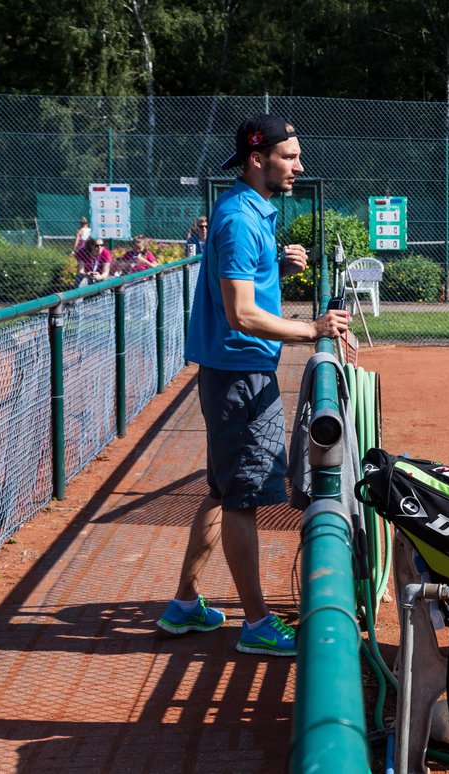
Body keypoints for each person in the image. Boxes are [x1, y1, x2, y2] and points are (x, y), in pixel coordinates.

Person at [156, 113, 352, 657]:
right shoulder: (241, 218)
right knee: (242, 498)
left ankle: (185, 604)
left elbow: (243, 291)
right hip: (240, 373)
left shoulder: (251, 212)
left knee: (222, 491)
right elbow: (241, 313)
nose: (299, 166)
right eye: (289, 157)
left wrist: (278, 270)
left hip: (234, 371)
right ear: (256, 158)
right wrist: (311, 329)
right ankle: (257, 624)